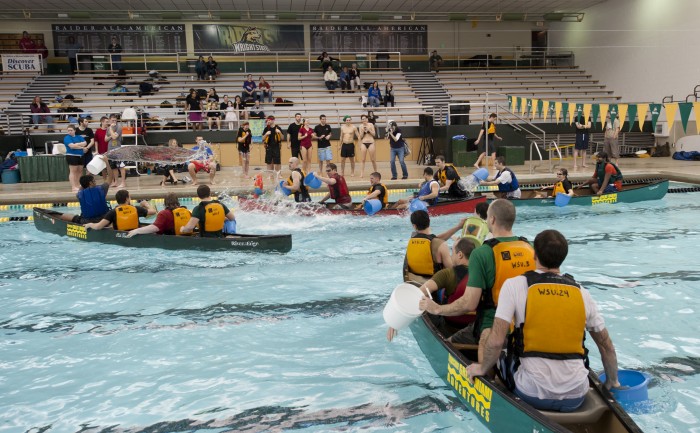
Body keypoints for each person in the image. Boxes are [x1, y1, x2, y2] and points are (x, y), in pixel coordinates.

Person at [466, 229, 622, 412]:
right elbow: (606, 345)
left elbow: (497, 339)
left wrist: (482, 368)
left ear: (534, 254)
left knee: (500, 351)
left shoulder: (514, 285)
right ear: (563, 257)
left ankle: (496, 400)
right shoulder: (582, 293)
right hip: (576, 394)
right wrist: (613, 381)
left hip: (530, 391)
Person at [420, 199, 535, 363]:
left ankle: (485, 376)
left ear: (492, 220)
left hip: (493, 322)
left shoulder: (482, 253)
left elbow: (469, 303)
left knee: (447, 347)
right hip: (527, 319)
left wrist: (438, 309)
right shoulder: (529, 246)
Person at [389, 237, 477, 342]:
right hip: (473, 327)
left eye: (452, 252)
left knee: (424, 298)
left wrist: (395, 321)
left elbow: (417, 294)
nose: (450, 255)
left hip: (448, 325)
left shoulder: (447, 274)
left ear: (460, 255)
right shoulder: (483, 275)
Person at [403, 209, 457, 284]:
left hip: (414, 284)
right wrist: (456, 247)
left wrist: (458, 227)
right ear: (429, 221)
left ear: (414, 226)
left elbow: (432, 240)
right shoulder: (441, 245)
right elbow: (452, 271)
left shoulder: (411, 242)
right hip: (434, 287)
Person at [85, 189, 156, 231]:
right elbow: (153, 212)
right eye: (130, 197)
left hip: (120, 235)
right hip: (136, 233)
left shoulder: (112, 212)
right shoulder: (136, 209)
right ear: (126, 199)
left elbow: (98, 226)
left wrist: (90, 224)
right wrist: (146, 204)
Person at [63, 124, 87, 192]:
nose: (69, 132)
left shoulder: (78, 136)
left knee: (80, 171)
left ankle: (78, 185)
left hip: (80, 156)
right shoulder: (67, 138)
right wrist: (81, 146)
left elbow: (85, 143)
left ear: (74, 131)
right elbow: (71, 146)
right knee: (73, 171)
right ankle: (73, 187)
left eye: (71, 130)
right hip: (71, 155)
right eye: (68, 130)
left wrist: (76, 144)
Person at [106, 114, 127, 188]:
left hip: (118, 149)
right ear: (109, 120)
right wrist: (111, 134)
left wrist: (111, 129)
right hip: (110, 149)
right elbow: (105, 139)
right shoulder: (108, 128)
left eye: (115, 120)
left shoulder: (119, 127)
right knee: (113, 167)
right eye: (112, 120)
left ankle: (123, 182)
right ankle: (116, 182)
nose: (114, 121)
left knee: (121, 166)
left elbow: (114, 137)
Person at [358, 114, 377, 179]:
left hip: (371, 142)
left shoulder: (371, 125)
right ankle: (362, 173)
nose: (364, 120)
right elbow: (360, 137)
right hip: (364, 142)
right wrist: (363, 132)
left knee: (373, 159)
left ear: (367, 119)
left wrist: (369, 130)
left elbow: (374, 134)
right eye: (362, 119)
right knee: (363, 159)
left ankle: (376, 172)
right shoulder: (360, 126)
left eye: (365, 119)